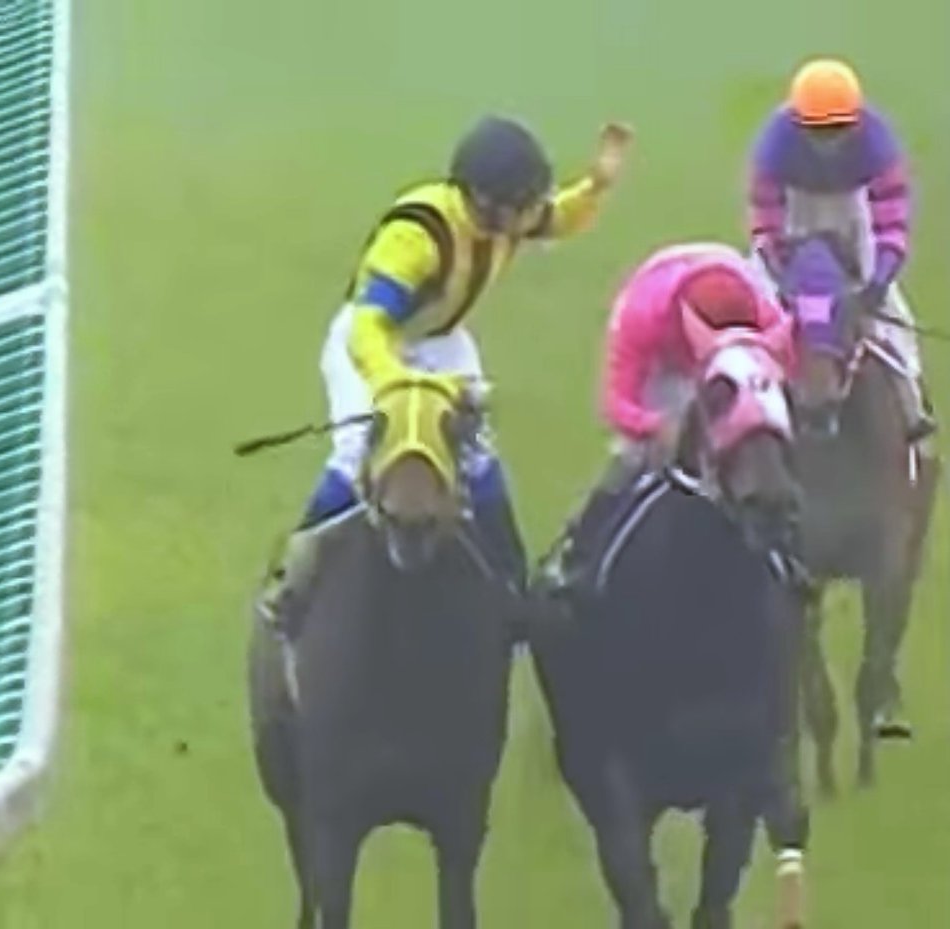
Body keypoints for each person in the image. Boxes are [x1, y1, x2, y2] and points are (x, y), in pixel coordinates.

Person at [254, 115, 634, 629]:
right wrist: (394, 384)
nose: (532, 216)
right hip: (373, 346)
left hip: (441, 342)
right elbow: (367, 324)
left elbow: (559, 217)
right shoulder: (417, 235)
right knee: (358, 452)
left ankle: (511, 584)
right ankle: (292, 581)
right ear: (486, 202)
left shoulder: (506, 217)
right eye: (524, 205)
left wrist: (597, 185)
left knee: (476, 453)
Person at [541, 242, 794, 600]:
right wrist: (657, 427)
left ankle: (793, 559)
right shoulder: (643, 314)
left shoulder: (765, 314)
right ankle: (578, 560)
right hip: (666, 366)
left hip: (733, 360)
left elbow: (786, 374)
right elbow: (616, 404)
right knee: (632, 462)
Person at [745, 56, 935, 448]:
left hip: (853, 210)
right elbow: (765, 211)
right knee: (754, 304)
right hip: (794, 211)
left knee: (893, 316)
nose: (827, 140)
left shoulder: (878, 144)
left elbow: (891, 214)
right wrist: (776, 267)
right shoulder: (774, 143)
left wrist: (880, 278)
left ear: (856, 122)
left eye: (837, 129)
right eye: (817, 130)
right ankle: (746, 406)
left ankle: (912, 407)